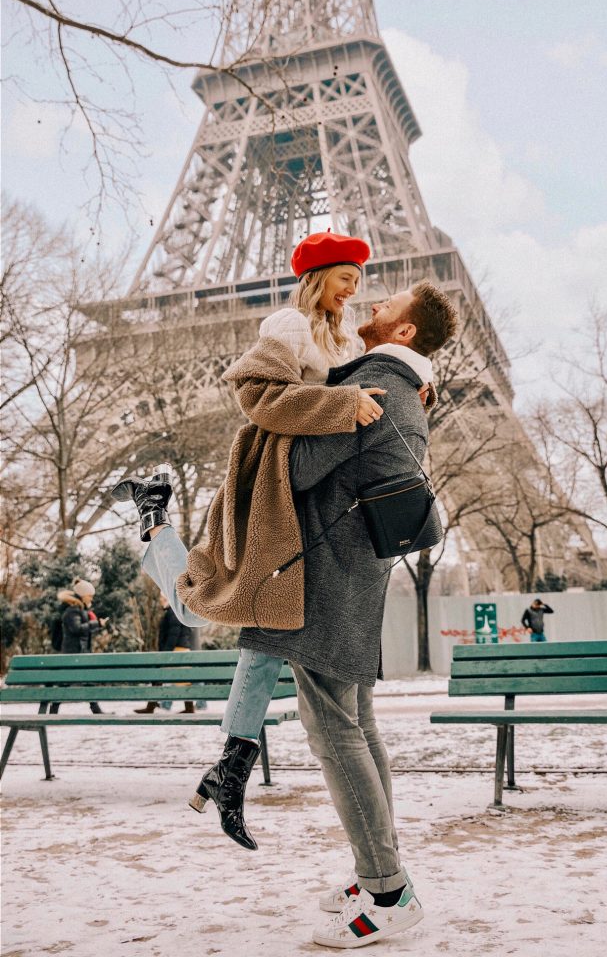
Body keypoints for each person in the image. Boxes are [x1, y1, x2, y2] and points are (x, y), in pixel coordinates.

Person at [115, 253, 457, 948]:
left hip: (323, 577)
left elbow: (298, 467)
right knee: (357, 726)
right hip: (353, 575)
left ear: (407, 330)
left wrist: (281, 423)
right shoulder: (400, 388)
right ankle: (379, 875)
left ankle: (387, 890)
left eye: (388, 300)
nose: (374, 299)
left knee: (335, 732)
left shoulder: (376, 383)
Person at [112, 232, 394, 846]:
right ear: (317, 276)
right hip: (270, 492)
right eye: (346, 275)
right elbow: (257, 395)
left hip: (308, 505)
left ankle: (230, 769)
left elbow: (369, 386)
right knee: (204, 605)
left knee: (263, 631)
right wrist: (339, 405)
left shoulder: (345, 337)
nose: (355, 287)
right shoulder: (290, 325)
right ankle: (155, 522)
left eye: (356, 277)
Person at [49, 579, 108, 714]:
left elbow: (83, 631)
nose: (91, 598)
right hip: (73, 652)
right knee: (64, 683)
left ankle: (95, 708)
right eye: (90, 595)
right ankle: (53, 710)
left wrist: (96, 623)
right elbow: (77, 629)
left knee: (87, 680)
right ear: (82, 595)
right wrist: (96, 624)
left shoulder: (80, 610)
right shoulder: (72, 611)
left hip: (80, 651)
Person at [134, 594, 198, 714]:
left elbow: (174, 634)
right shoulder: (175, 611)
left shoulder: (173, 612)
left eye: (162, 598)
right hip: (179, 648)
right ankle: (153, 706)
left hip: (176, 649)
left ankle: (152, 707)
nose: (160, 600)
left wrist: (165, 654)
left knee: (165, 677)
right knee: (175, 678)